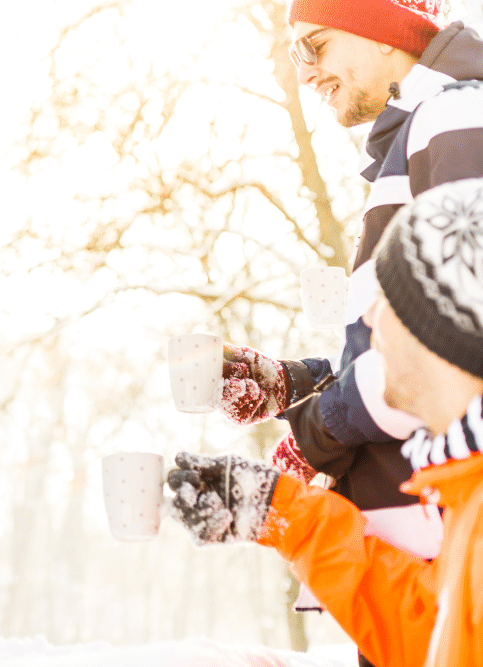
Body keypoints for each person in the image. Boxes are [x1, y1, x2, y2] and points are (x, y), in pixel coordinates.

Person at [216, 0, 483, 631]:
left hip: (445, 542)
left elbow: (457, 343)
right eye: (293, 55)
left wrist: (316, 432)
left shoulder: (453, 118)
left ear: (388, 32)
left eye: (315, 46)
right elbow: (410, 352)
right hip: (414, 572)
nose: (304, 72)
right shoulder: (424, 132)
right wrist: (302, 383)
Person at [168, 177, 483, 667]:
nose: (371, 317)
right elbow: (429, 633)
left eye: (393, 300)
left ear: (444, 328)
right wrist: (278, 508)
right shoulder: (467, 492)